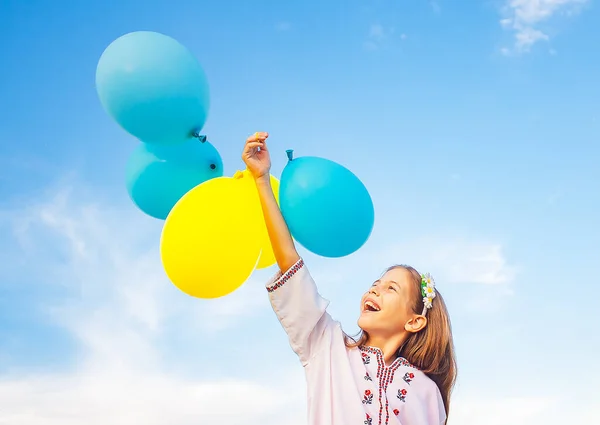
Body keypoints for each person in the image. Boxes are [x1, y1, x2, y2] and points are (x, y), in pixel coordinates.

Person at [242, 132, 457, 425]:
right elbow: (291, 263)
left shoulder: (426, 392)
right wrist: (261, 181)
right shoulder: (327, 347)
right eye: (375, 285)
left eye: (391, 288)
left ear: (414, 320)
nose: (374, 291)